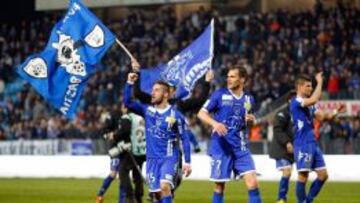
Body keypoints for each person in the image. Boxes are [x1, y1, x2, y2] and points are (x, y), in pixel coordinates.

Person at [123, 72, 192, 203]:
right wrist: (129, 83)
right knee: (157, 195)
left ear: (165, 94)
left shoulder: (176, 115)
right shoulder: (147, 110)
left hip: (169, 157)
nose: (153, 93)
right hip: (152, 159)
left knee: (164, 186)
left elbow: (185, 138)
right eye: (152, 90)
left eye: (156, 90)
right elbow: (127, 102)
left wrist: (187, 162)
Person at [197, 65, 262, 203]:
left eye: (232, 76)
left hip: (241, 147)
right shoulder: (219, 95)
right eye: (228, 76)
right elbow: (201, 113)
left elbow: (249, 120)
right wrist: (215, 123)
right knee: (220, 186)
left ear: (242, 79)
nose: (228, 79)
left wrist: (252, 120)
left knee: (253, 183)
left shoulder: (249, 99)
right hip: (221, 147)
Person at [290, 73, 345, 203]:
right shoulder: (296, 101)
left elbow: (322, 117)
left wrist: (335, 112)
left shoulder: (310, 105)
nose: (310, 89)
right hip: (302, 142)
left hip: (312, 143)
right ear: (300, 87)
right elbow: (314, 99)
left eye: (311, 86)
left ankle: (308, 201)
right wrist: (319, 82)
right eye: (308, 86)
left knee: (323, 175)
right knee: (303, 175)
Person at [96, 111, 132, 203]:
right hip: (115, 149)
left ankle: (121, 200)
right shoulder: (114, 115)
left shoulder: (131, 116)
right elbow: (105, 132)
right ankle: (100, 194)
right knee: (113, 173)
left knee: (123, 176)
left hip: (126, 148)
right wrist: (109, 135)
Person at [269, 91, 296, 203]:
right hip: (282, 148)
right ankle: (281, 199)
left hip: (292, 149)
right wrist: (287, 143)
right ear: (289, 101)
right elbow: (278, 130)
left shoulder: (299, 114)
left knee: (289, 173)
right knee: (287, 171)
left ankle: (283, 197)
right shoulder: (282, 113)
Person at [119, 103, 146, 203]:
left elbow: (124, 131)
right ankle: (139, 196)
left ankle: (130, 197)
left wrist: (116, 136)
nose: (122, 109)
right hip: (143, 149)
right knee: (137, 172)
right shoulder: (142, 117)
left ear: (126, 108)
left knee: (123, 171)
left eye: (122, 107)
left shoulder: (127, 117)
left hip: (134, 150)